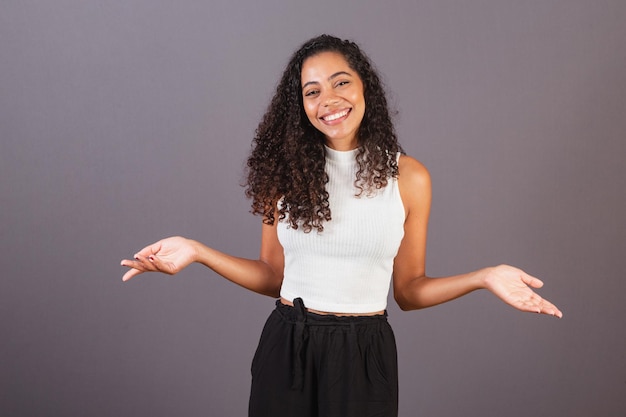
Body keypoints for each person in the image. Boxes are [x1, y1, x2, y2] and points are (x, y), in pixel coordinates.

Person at [120, 34, 562, 417]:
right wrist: (197, 251)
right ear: (301, 106)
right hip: (287, 347)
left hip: (364, 355)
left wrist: (484, 277)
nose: (328, 100)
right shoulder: (285, 174)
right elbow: (273, 276)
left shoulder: (409, 178)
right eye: (311, 92)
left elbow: (408, 291)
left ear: (364, 86)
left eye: (341, 82)